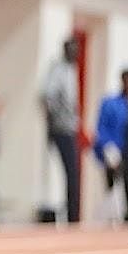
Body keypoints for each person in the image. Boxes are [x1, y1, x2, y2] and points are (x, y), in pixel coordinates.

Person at [94, 68, 128, 223]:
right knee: (113, 192)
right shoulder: (110, 104)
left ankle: (126, 221)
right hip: (116, 154)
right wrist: (108, 149)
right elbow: (102, 128)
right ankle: (111, 222)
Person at [41, 37, 81, 223]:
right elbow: (47, 97)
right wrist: (53, 123)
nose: (76, 53)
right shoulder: (58, 69)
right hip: (61, 128)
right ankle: (72, 217)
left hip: (70, 128)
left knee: (73, 173)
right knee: (71, 172)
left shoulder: (72, 70)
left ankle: (73, 214)